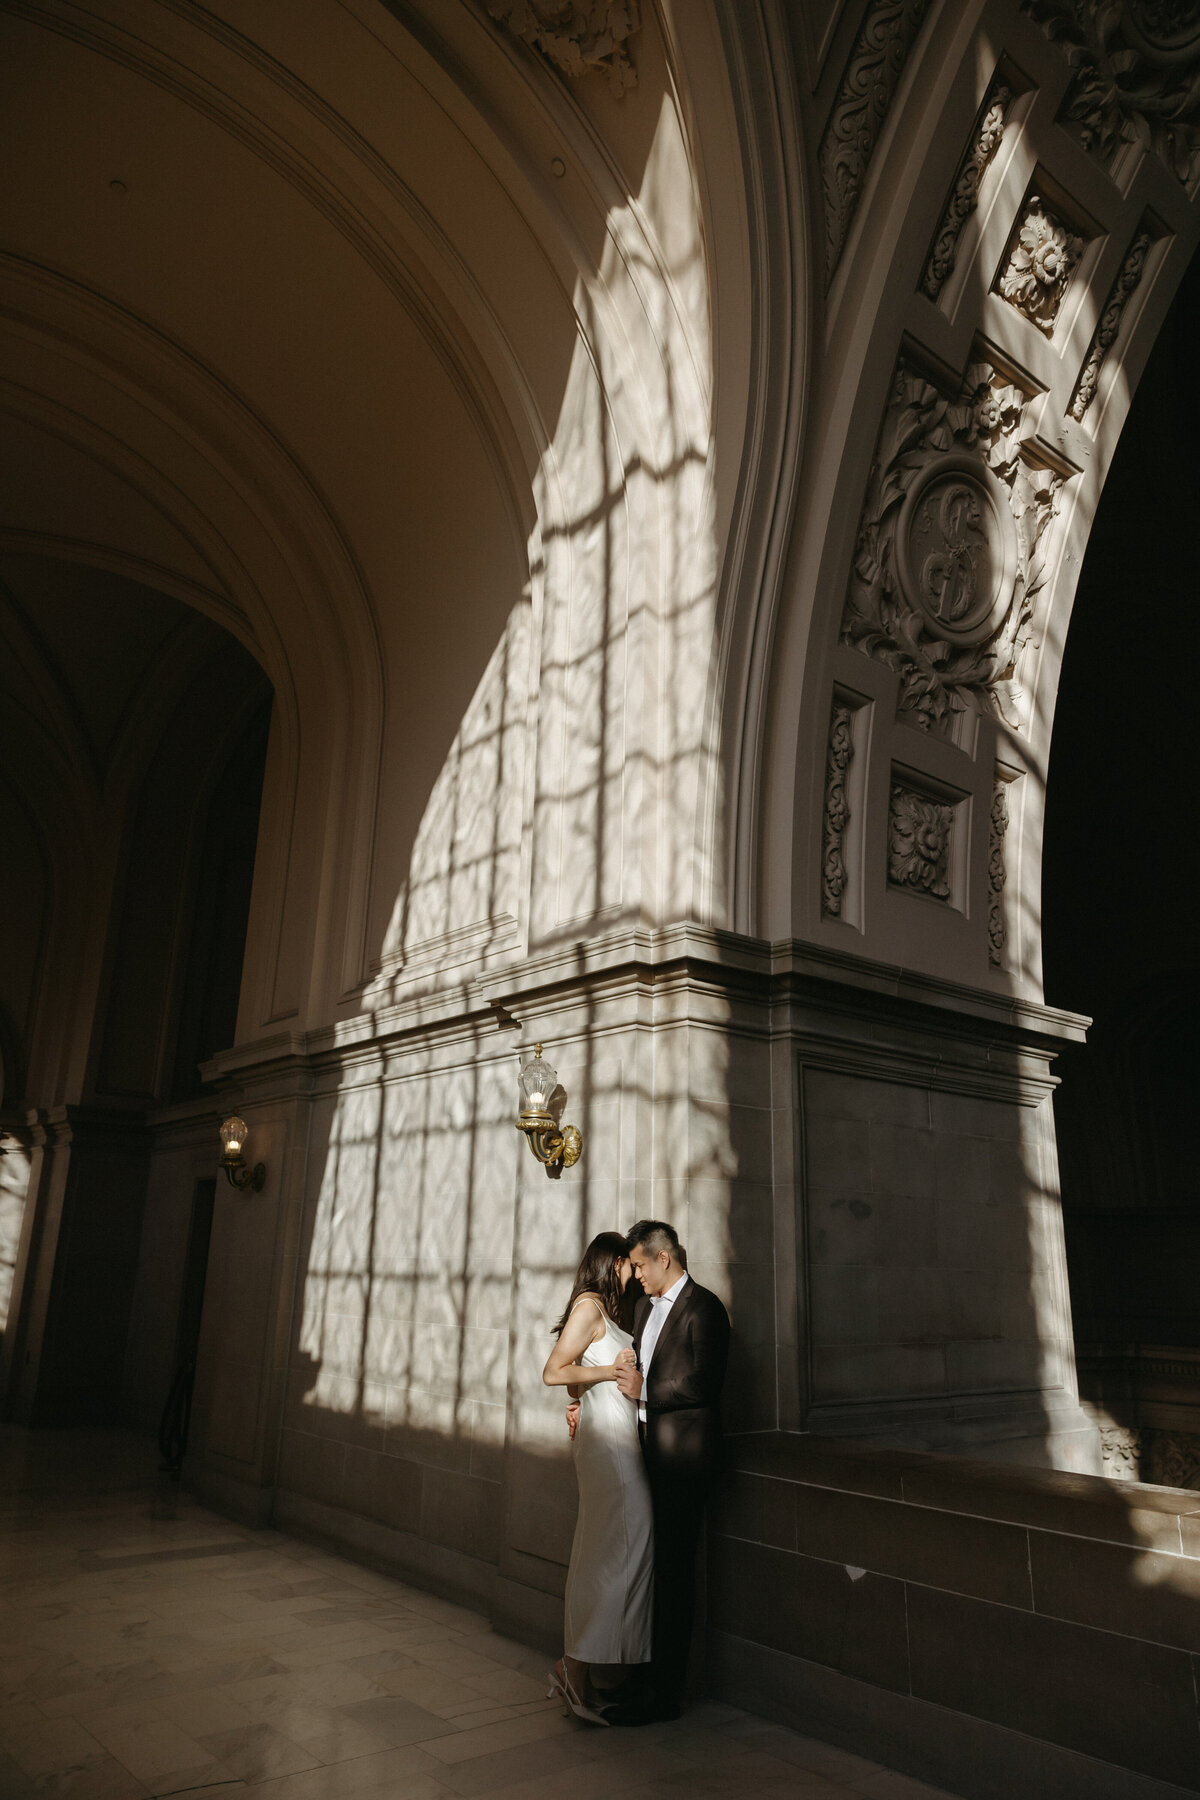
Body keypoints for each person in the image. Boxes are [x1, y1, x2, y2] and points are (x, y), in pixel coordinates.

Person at [610, 1218, 730, 1724]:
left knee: (674, 1574)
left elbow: (704, 1383)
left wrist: (646, 1392)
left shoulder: (705, 1308)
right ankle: (636, 1677)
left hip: (683, 1464)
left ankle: (664, 1696)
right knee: (642, 1567)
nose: (635, 1274)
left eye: (639, 1264)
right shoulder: (641, 1308)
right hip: (642, 1455)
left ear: (664, 1258)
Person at [542, 1231, 653, 1725]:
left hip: (615, 1434)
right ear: (610, 1264)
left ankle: (580, 1672)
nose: (633, 1271)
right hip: (608, 1445)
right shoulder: (589, 1305)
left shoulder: (606, 1312)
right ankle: (576, 1666)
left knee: (607, 1549)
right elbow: (553, 1371)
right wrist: (608, 1373)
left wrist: (584, 1393)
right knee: (622, 1545)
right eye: (628, 1264)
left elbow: (572, 1377)